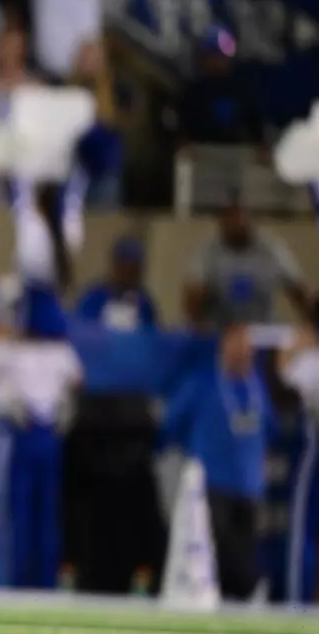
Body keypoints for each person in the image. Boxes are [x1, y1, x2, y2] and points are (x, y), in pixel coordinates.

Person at [0, 285, 83, 589]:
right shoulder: (57, 352)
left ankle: (27, 581)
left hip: (27, 437)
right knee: (33, 516)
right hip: (37, 435)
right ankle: (33, 582)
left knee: (27, 515)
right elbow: (79, 380)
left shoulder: (16, 351)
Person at [160, 323, 274, 601]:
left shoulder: (256, 387)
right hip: (212, 484)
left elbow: (271, 429)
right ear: (224, 345)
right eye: (237, 342)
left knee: (246, 557)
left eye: (247, 344)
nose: (243, 350)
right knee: (217, 555)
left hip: (248, 487)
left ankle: (248, 600)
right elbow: (171, 423)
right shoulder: (203, 383)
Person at [183, 193, 309, 332]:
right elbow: (192, 295)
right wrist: (199, 328)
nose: (235, 223)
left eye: (239, 216)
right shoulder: (209, 253)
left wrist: (311, 326)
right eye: (229, 217)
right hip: (222, 332)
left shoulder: (271, 249)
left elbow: (298, 290)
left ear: (250, 219)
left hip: (263, 331)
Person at [278, 321, 319, 604]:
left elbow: (285, 379)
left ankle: (297, 601)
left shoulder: (312, 362)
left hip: (313, 448)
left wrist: (290, 350)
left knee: (302, 528)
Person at [76, 236, 158, 331]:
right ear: (115, 265)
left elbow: (150, 337)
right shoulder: (94, 297)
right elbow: (81, 330)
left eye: (134, 269)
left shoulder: (144, 304)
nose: (128, 274)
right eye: (124, 267)